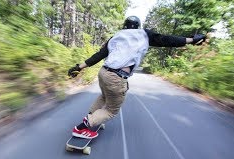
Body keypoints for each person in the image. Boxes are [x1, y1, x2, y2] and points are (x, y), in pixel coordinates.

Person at [68, 16, 206, 139]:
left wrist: (78, 67)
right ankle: (82, 127)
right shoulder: (144, 34)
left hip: (103, 73)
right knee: (111, 110)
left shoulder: (116, 36)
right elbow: (167, 40)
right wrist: (192, 40)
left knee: (105, 97)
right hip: (116, 78)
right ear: (138, 26)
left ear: (124, 26)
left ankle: (92, 117)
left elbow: (98, 56)